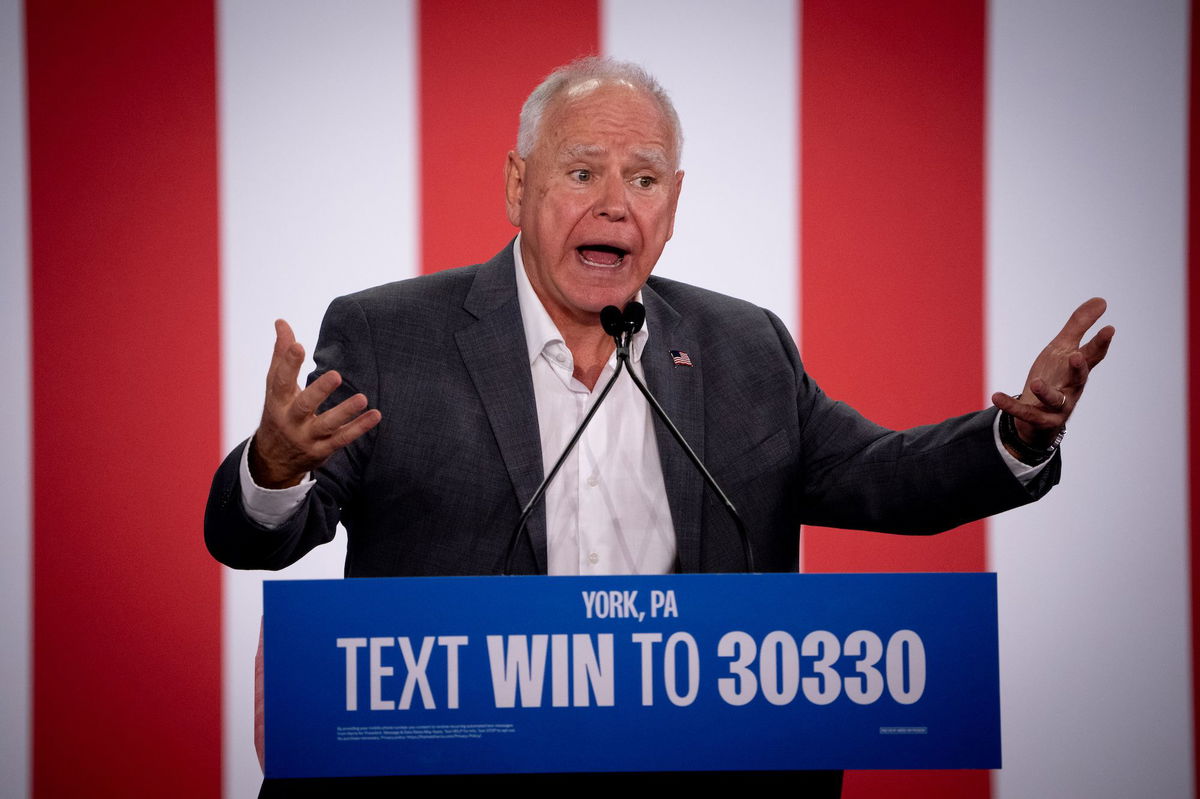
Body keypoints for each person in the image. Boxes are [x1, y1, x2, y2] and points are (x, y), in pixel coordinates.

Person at [205, 57, 1112, 793]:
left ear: (671, 205)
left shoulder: (742, 345)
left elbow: (881, 474)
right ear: (519, 186)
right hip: (458, 768)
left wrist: (1017, 440)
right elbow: (258, 537)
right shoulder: (389, 334)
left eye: (642, 179)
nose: (614, 204)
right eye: (583, 170)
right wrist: (274, 470)